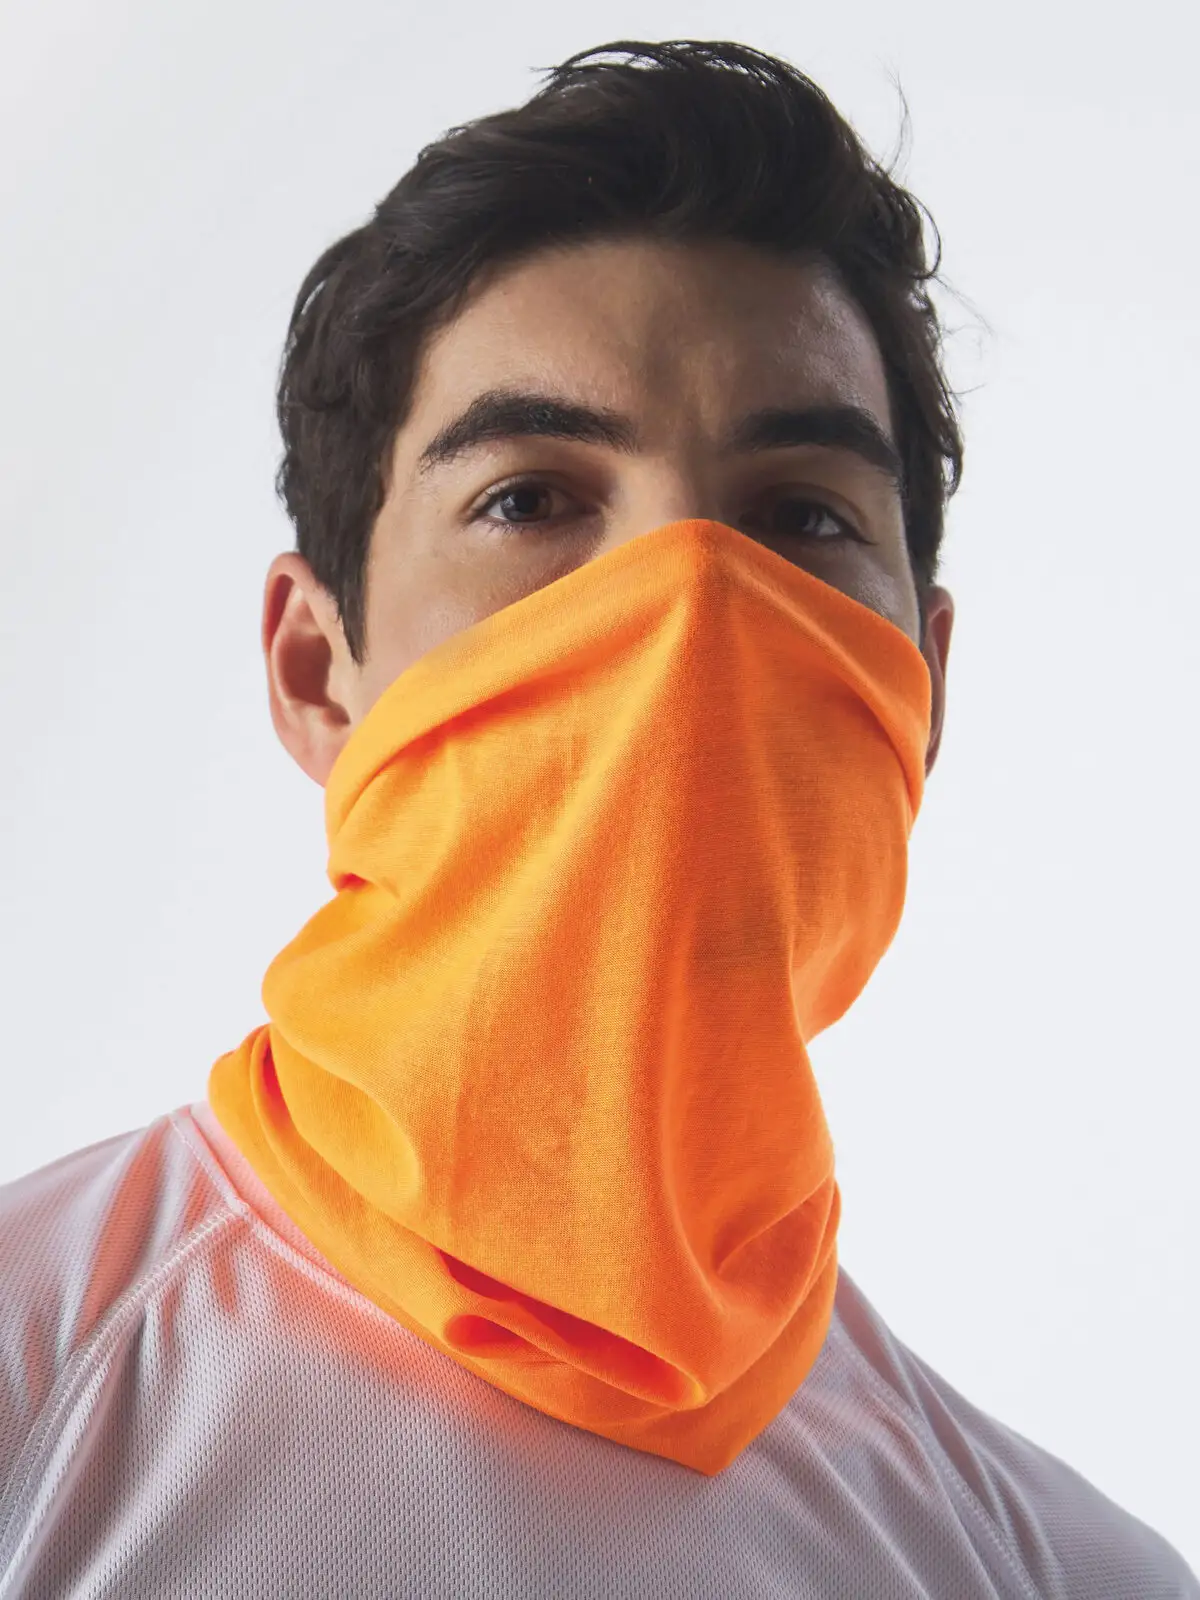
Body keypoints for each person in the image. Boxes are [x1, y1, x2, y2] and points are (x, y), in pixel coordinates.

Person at [1, 37, 1194, 1599]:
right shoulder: (35, 1374)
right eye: (530, 498)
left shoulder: (1067, 1575)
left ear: (923, 687)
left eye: (802, 518)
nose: (688, 603)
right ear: (313, 668)